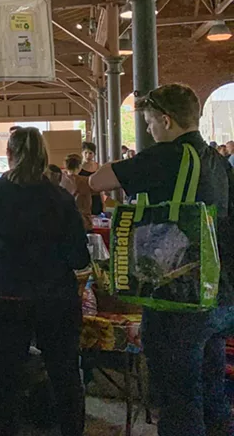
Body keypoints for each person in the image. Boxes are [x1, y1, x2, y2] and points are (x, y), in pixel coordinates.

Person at [89, 84, 234, 436]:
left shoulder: (167, 155)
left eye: (150, 122)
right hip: (216, 293)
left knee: (178, 396)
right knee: (211, 387)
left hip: (176, 296)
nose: (150, 131)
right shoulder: (218, 161)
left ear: (166, 121)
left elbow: (97, 180)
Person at [0, 127, 89, 436]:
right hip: (56, 298)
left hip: (5, 294)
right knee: (64, 374)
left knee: (6, 375)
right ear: (44, 156)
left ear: (9, 155)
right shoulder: (61, 198)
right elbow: (80, 258)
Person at [61, 154, 93, 231]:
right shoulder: (85, 181)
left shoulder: (61, 179)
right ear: (79, 166)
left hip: (64, 219)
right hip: (82, 219)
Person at [79, 141, 103, 215]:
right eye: (85, 153)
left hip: (95, 197)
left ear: (94, 154)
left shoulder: (98, 166)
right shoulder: (78, 167)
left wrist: (103, 202)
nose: (87, 156)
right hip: (82, 198)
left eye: (90, 153)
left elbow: (101, 185)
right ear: (82, 153)